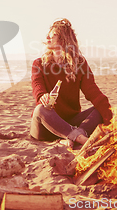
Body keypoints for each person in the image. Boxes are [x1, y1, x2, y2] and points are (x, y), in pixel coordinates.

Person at [30, 18, 112, 148]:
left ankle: (72, 136)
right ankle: (81, 139)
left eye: (52, 35)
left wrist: (111, 120)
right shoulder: (38, 64)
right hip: (46, 127)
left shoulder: (79, 64)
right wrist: (42, 96)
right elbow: (37, 87)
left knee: (99, 109)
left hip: (71, 123)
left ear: (63, 39)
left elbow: (93, 92)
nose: (47, 37)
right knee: (40, 109)